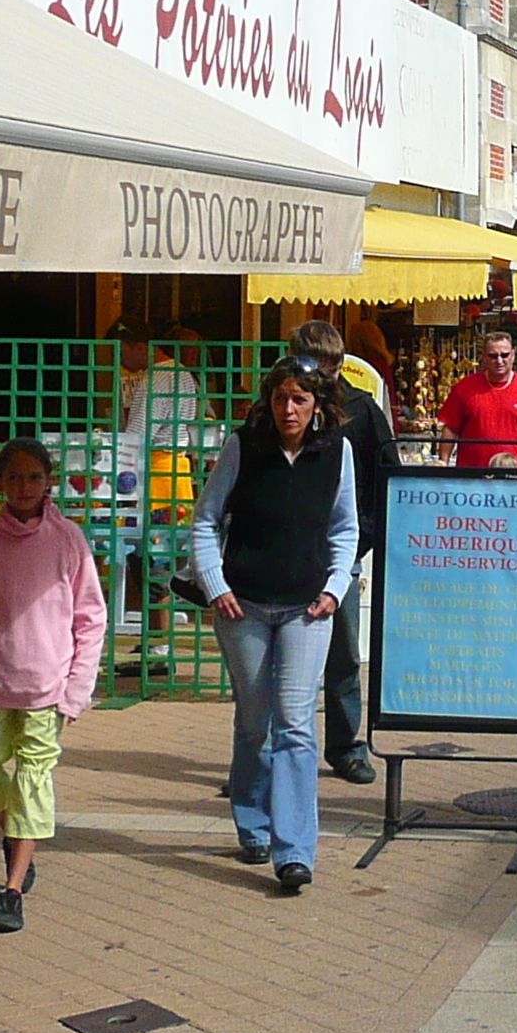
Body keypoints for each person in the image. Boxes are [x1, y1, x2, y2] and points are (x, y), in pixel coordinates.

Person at [191, 358, 359, 892]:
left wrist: (335, 588)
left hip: (307, 608)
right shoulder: (245, 446)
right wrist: (215, 584)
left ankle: (294, 849)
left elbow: (345, 526)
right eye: (282, 398)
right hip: (245, 606)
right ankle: (254, 823)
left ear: (318, 406)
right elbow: (205, 518)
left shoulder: (337, 451)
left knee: (295, 723)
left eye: (301, 400)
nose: (290, 409)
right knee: (253, 719)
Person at [0, 437, 105, 935]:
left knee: (32, 781)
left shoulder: (68, 541)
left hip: (46, 689)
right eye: (14, 478)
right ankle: (18, 837)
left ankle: (12, 887)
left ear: (49, 483)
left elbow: (91, 619)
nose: (23, 488)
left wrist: (76, 691)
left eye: (34, 478)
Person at [287, 321, 398, 783]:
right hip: (284, 548)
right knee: (278, 660)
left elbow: (387, 477)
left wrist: (364, 536)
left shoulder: (362, 410)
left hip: (340, 551)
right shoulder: (280, 403)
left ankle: (347, 745)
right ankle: (269, 753)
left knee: (343, 653)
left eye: (330, 371)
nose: (323, 379)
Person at [440, 332, 517, 470]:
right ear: (484, 357)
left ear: (513, 354)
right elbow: (450, 429)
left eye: (504, 355)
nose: (499, 361)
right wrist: (443, 466)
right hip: (471, 477)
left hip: (513, 475)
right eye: (493, 356)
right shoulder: (464, 388)